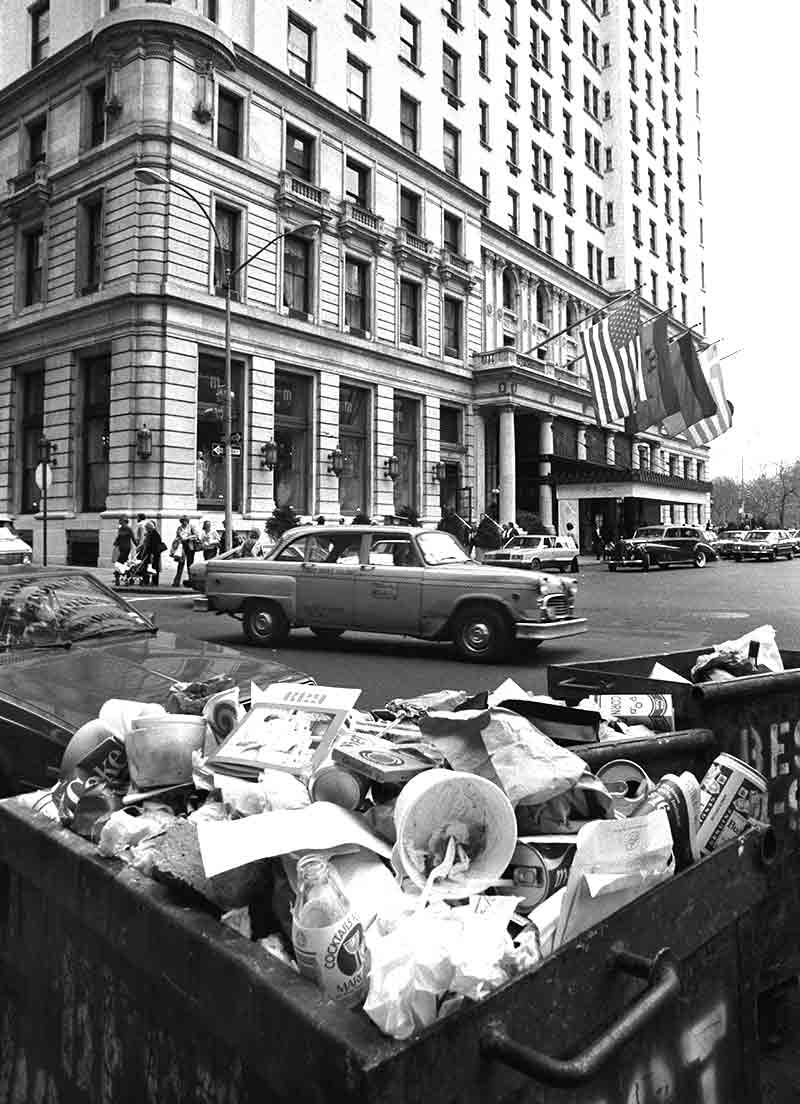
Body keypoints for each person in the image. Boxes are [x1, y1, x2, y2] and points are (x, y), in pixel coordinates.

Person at [170, 515, 200, 587]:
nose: (184, 523)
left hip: (190, 547)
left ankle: (191, 581)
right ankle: (176, 582)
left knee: (190, 564)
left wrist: (188, 537)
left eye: (185, 521)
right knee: (180, 564)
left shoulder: (191, 527)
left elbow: (196, 535)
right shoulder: (179, 528)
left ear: (188, 521)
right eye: (183, 521)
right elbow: (178, 536)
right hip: (182, 548)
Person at [111, 516, 136, 587]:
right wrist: (116, 543)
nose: (120, 522)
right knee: (121, 563)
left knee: (120, 563)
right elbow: (118, 538)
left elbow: (133, 538)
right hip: (120, 548)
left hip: (126, 548)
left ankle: (120, 577)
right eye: (120, 521)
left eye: (121, 521)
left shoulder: (129, 529)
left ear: (125, 522)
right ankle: (123, 577)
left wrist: (137, 545)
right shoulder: (120, 529)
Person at [139, 519, 164, 586]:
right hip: (149, 553)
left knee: (154, 568)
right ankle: (147, 581)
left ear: (149, 528)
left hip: (153, 554)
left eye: (146, 528)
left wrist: (150, 553)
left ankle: (154, 582)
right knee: (148, 567)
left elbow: (153, 545)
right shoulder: (150, 533)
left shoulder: (154, 534)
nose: (146, 529)